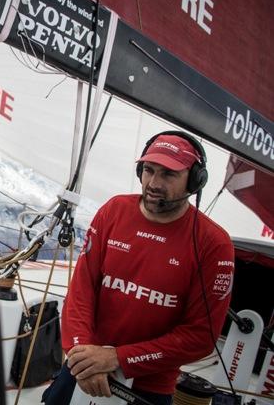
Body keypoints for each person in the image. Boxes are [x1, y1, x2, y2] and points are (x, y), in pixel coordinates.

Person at [42, 132, 234, 405]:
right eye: (148, 170)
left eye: (168, 174)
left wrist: (118, 359)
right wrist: (78, 352)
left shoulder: (213, 243)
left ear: (194, 181)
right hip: (83, 368)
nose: (154, 183)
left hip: (148, 387)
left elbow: (200, 336)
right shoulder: (114, 210)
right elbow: (81, 291)